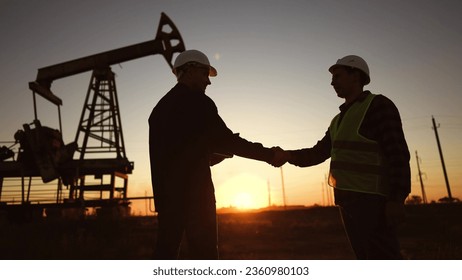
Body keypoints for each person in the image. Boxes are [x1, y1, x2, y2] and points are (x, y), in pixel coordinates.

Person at [148, 49, 286, 259]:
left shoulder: (159, 109)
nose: (208, 82)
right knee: (205, 257)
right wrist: (269, 154)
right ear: (189, 70)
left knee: (165, 254)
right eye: (205, 74)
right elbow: (228, 141)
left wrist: (210, 158)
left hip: (167, 199)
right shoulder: (199, 102)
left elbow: (177, 155)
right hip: (196, 197)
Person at [287, 55, 411, 259]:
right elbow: (317, 153)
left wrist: (397, 199)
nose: (332, 82)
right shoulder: (338, 120)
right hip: (347, 202)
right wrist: (286, 155)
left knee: (384, 259)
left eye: (338, 76)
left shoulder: (377, 105)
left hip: (373, 202)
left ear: (356, 76)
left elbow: (397, 152)